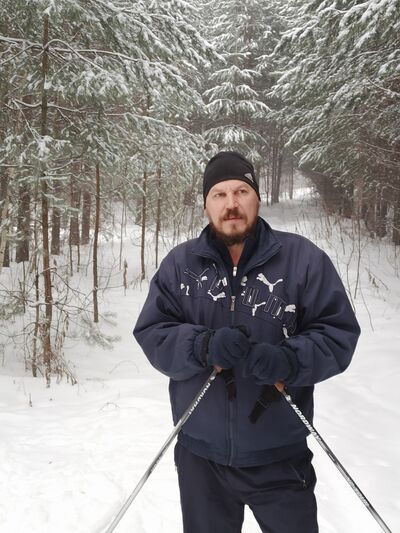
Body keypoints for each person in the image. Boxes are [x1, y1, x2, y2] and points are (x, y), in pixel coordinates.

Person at [133, 151, 360, 533]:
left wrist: (289, 360)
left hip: (280, 456)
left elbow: (338, 335)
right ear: (206, 205)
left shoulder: (303, 260)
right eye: (219, 194)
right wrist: (202, 346)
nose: (231, 204)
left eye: (241, 191)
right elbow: (153, 332)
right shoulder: (180, 265)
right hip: (201, 459)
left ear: (257, 198)